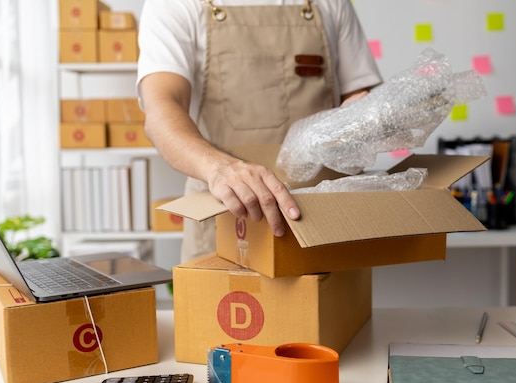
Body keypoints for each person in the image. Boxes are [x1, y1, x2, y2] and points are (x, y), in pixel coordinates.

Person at [137, 0, 383, 262]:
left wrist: (367, 112)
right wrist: (219, 168)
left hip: (322, 221)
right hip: (226, 217)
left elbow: (360, 96)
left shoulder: (330, 3)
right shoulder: (176, 4)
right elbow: (161, 112)